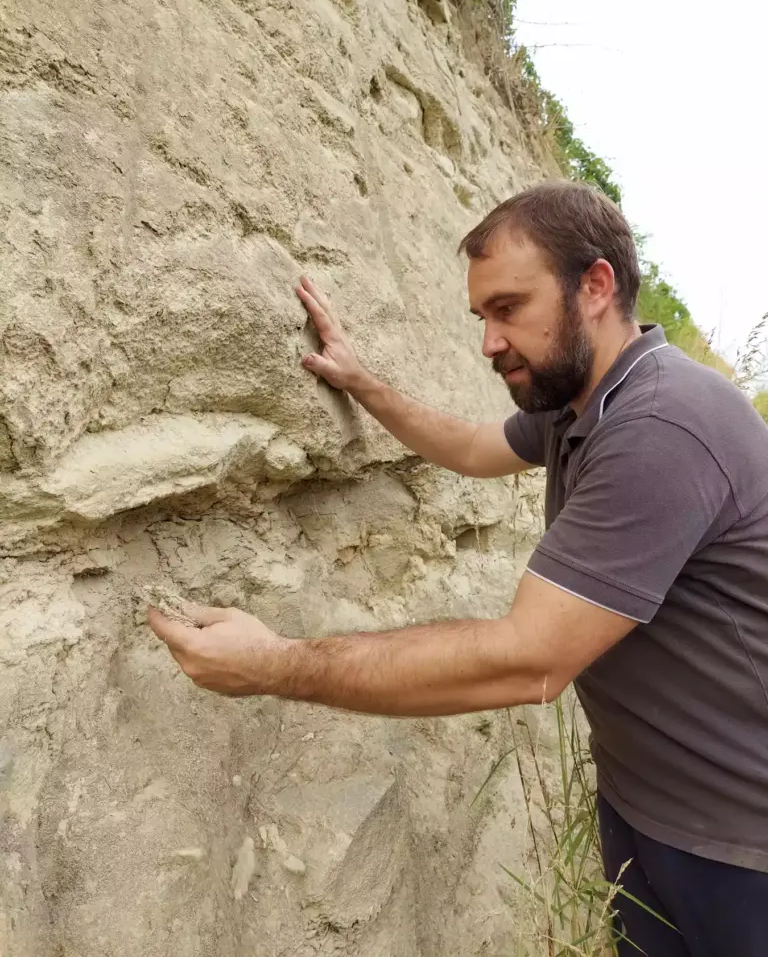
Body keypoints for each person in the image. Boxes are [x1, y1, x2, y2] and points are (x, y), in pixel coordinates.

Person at [148, 180, 768, 956]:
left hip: (739, 843)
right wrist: (362, 382)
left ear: (597, 286)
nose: (489, 342)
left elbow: (528, 663)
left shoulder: (664, 424)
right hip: (645, 806)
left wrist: (271, 664)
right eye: (482, 317)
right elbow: (474, 448)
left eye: (509, 308)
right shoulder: (580, 398)